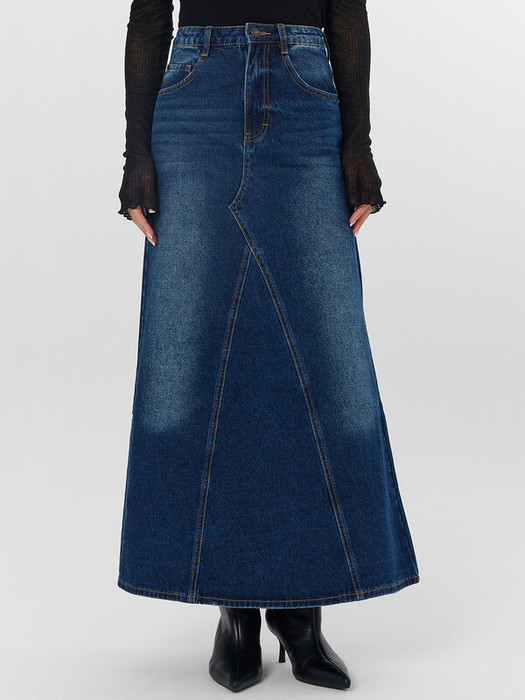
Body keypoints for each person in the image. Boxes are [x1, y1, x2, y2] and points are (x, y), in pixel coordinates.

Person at [116, 1, 420, 692]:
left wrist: (358, 143)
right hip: (194, 102)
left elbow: (346, 9)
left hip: (306, 98)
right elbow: (148, 14)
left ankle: (298, 613)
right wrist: (137, 154)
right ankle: (234, 612)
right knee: (185, 360)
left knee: (329, 362)